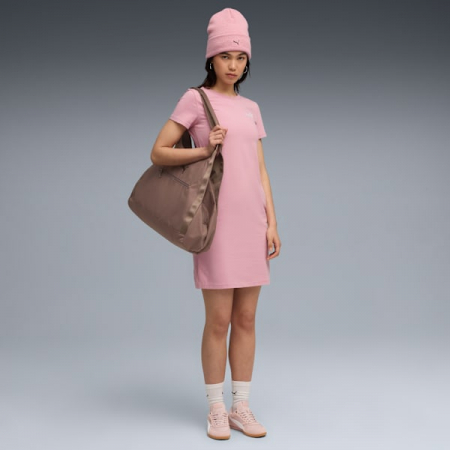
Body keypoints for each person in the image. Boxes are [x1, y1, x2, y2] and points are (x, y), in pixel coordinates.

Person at [150, 8, 281, 440]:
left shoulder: (251, 108)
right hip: (216, 224)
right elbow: (159, 152)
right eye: (225, 55)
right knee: (219, 320)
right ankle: (216, 409)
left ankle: (241, 405)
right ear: (211, 58)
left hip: (252, 223)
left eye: (240, 57)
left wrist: (272, 222)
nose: (233, 64)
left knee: (247, 319)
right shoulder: (196, 100)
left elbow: (260, 170)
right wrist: (205, 148)